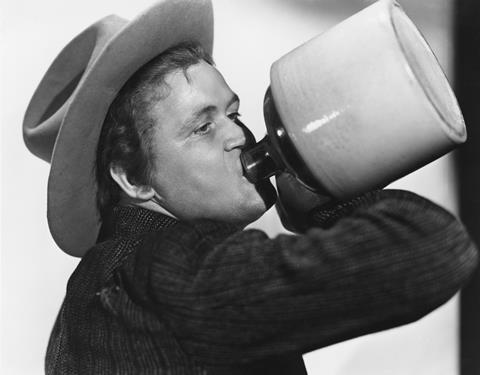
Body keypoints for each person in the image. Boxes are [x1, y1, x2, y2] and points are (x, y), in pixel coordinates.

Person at [23, 1, 478, 374]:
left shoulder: (106, 286)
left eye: (233, 112)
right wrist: (324, 198)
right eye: (203, 127)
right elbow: (433, 249)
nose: (239, 134)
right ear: (134, 178)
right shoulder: (166, 270)